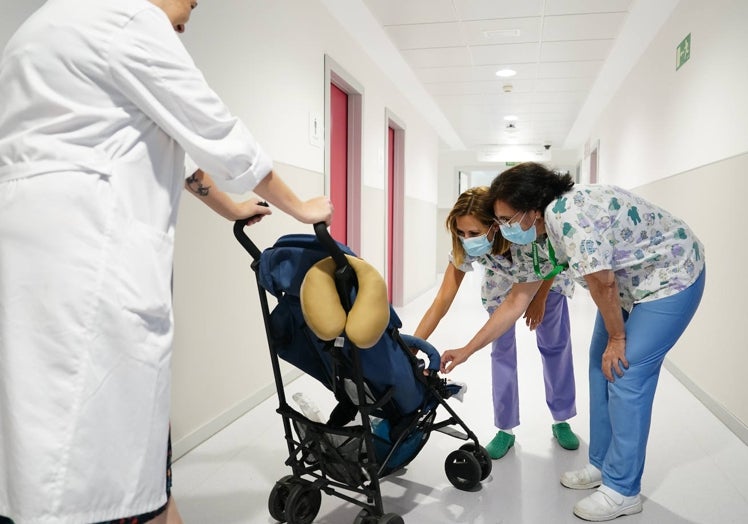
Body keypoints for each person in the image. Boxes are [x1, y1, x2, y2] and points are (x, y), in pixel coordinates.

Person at [0, 1, 332, 523]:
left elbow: (172, 142)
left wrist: (232, 207)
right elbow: (215, 129)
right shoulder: (129, 18)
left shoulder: (42, 25)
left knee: (44, 442)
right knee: (108, 461)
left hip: (28, 255)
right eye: (192, 3)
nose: (192, 9)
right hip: (91, 258)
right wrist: (302, 206)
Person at [440, 163, 705, 521]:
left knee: (624, 373)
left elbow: (603, 283)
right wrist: (467, 349)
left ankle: (624, 490)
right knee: (600, 367)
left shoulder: (568, 218)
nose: (499, 227)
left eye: (504, 218)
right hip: (630, 288)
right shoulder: (542, 226)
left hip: (671, 278)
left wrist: (617, 336)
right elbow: (516, 301)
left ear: (531, 209)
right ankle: (601, 466)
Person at [413, 186, 579, 460]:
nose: (467, 239)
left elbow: (551, 256)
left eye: (474, 233)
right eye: (461, 233)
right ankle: (505, 428)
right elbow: (442, 299)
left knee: (555, 348)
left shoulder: (521, 232)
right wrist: (413, 346)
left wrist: (539, 298)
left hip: (548, 282)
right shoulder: (466, 246)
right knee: (501, 353)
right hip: (501, 287)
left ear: (495, 226)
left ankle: (562, 419)